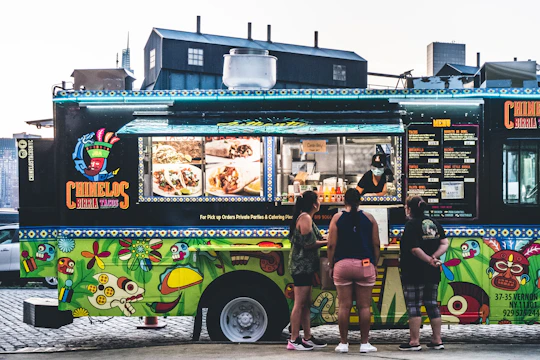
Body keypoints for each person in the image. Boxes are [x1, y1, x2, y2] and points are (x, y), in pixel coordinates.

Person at [327, 188, 380, 353]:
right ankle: (364, 343)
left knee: (344, 306)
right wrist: (374, 264)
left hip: (342, 265)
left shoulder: (337, 218)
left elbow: (331, 245)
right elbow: (376, 245)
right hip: (364, 265)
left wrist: (331, 264)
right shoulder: (370, 218)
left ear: (344, 202)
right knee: (364, 307)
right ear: (360, 201)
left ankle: (343, 343)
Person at [398, 195, 449, 351]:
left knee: (414, 305)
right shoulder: (434, 223)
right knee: (432, 304)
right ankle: (437, 339)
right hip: (432, 272)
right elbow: (445, 242)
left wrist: (428, 259)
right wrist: (434, 257)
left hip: (414, 271)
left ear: (409, 208)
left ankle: (414, 341)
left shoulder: (411, 225)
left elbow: (414, 249)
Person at [287, 190, 328, 351]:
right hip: (301, 266)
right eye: (318, 199)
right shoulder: (305, 218)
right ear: (313, 203)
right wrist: (328, 241)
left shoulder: (306, 217)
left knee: (306, 303)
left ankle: (307, 336)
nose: (320, 202)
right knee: (299, 303)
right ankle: (294, 339)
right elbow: (308, 244)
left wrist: (325, 239)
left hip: (306, 266)